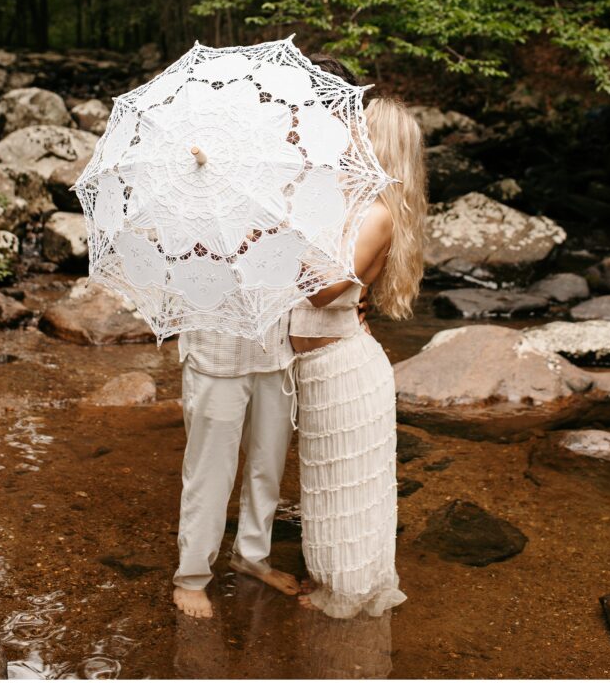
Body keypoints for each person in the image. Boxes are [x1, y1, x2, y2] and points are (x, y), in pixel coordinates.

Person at [172, 53, 360, 619]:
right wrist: (235, 234)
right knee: (211, 464)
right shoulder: (214, 160)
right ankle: (190, 575)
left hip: (279, 341)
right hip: (219, 342)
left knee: (268, 463)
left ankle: (251, 555)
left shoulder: (308, 171)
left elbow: (313, 257)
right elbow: (187, 253)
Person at [289, 96, 426, 618]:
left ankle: (347, 597)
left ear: (378, 144)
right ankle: (331, 583)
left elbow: (323, 293)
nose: (344, 139)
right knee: (326, 487)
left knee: (348, 492)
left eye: (357, 132)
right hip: (322, 370)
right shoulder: (346, 204)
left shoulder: (377, 215)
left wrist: (278, 243)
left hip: (346, 371)